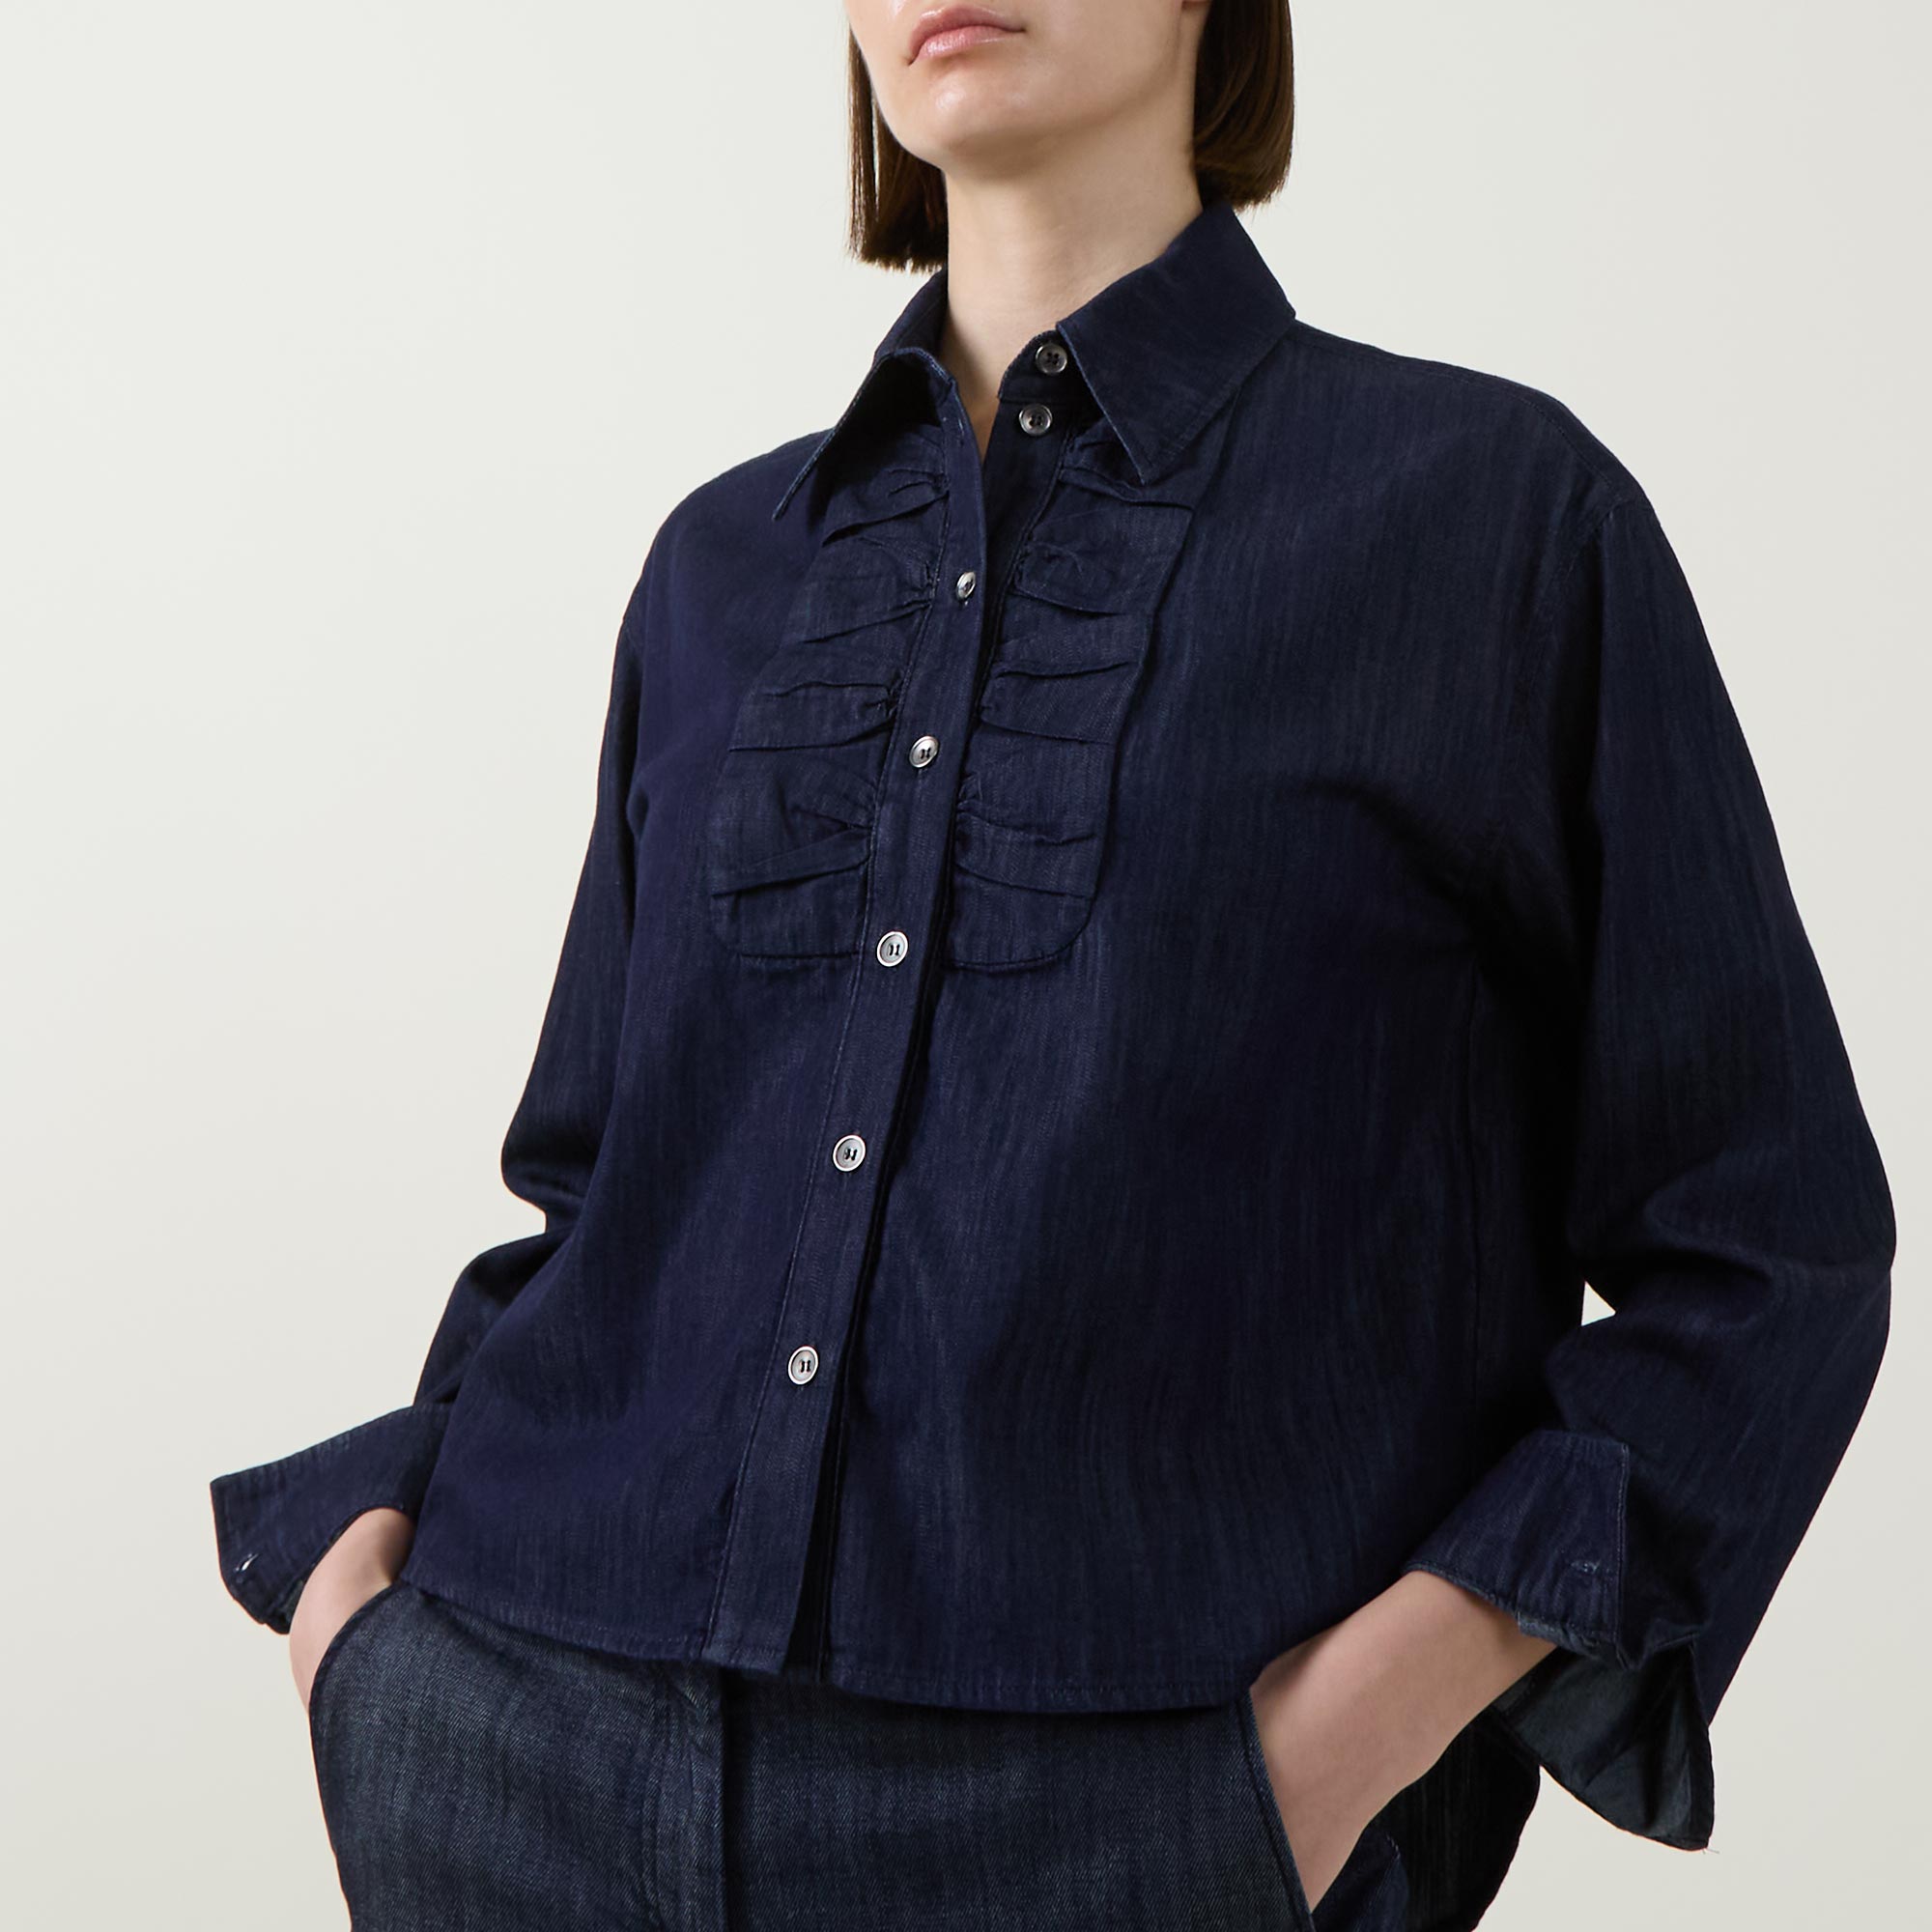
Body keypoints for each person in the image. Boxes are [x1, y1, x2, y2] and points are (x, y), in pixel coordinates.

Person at [207, 4, 1895, 1928]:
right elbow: (600, 1193)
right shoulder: (719, 567)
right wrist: (367, 1647)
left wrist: (1351, 1736)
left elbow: (1767, 1241)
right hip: (520, 1764)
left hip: (1144, 1821)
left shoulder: (1489, 518)